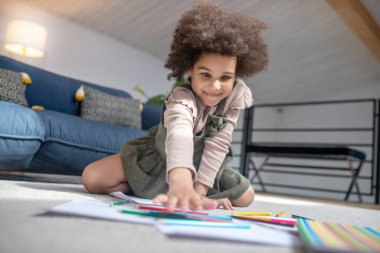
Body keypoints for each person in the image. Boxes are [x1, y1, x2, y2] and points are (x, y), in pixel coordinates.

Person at [82, 0, 268, 211]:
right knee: (92, 178)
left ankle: (185, 192)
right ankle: (164, 188)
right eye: (206, 74)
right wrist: (181, 180)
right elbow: (179, 134)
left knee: (247, 196)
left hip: (203, 167)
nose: (215, 86)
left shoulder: (234, 98)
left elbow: (218, 145)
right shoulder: (182, 98)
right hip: (162, 157)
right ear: (190, 69)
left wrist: (199, 193)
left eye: (225, 77)